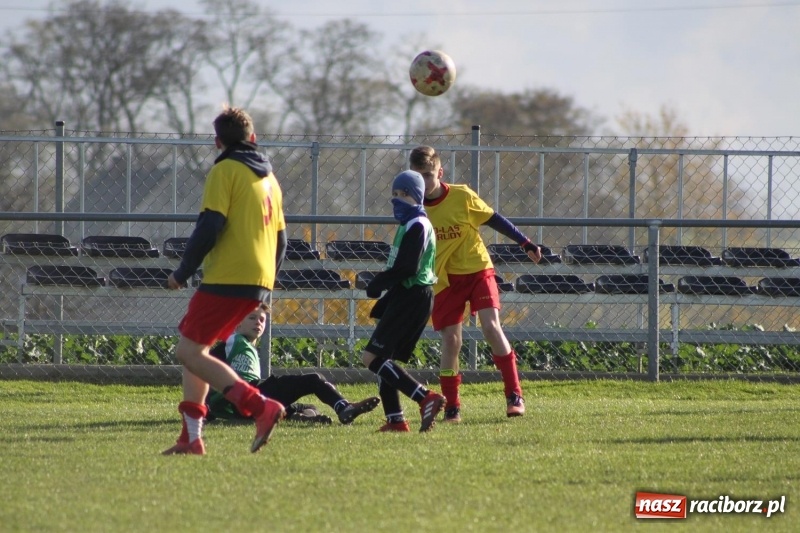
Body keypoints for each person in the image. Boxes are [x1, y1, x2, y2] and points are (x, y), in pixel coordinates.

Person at [163, 105, 287, 455]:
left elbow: (210, 225)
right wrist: (268, 284)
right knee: (194, 347)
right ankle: (191, 437)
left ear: (217, 142)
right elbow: (282, 240)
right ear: (253, 138)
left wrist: (183, 271)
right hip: (257, 277)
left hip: (229, 275)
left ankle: (260, 406)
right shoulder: (270, 180)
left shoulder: (225, 170)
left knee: (186, 351)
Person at [409, 145, 542, 422]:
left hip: (478, 269)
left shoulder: (461, 195)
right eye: (418, 177)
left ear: (440, 173)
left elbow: (494, 218)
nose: (424, 182)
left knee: (491, 327)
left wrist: (525, 242)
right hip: (444, 279)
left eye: (429, 175)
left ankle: (514, 395)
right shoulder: (412, 208)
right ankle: (452, 407)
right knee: (451, 341)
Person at [361, 170, 445, 433]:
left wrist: (379, 282)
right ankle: (396, 420)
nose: (398, 199)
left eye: (405, 194)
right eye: (395, 194)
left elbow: (408, 267)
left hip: (413, 295)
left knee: (371, 357)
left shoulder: (418, 224)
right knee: (385, 358)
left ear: (417, 197)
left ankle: (424, 397)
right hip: (408, 295)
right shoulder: (409, 224)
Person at [205, 304, 381, 425]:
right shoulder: (233, 341)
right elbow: (205, 367)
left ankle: (298, 416)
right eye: (252, 318)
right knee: (313, 379)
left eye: (262, 320)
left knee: (309, 408)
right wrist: (204, 405)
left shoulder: (246, 347)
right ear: (237, 323)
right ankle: (344, 408)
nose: (258, 323)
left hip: (247, 409)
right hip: (247, 396)